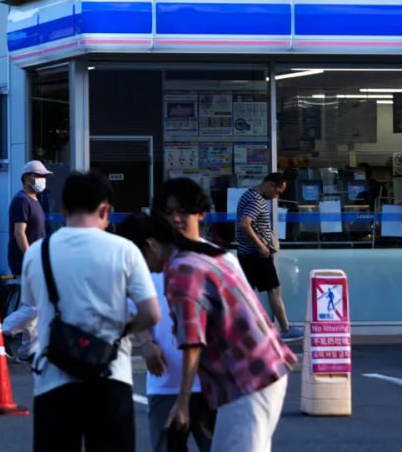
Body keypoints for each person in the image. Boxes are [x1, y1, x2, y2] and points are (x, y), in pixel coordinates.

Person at [118, 209, 296, 452]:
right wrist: (147, 342)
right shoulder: (200, 260)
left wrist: (183, 399)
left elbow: (192, 340)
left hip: (239, 381)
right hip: (242, 377)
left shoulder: (184, 269)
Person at [22, 171, 159, 451]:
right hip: (111, 379)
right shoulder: (124, 250)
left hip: (53, 381)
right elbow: (150, 313)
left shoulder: (37, 252)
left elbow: (34, 302)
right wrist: (123, 330)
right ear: (106, 209)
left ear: (63, 210)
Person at [135, 179, 219, 452]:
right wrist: (146, 342)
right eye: (168, 213)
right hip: (164, 383)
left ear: (201, 213)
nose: (176, 219)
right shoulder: (151, 258)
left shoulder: (217, 261)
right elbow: (133, 307)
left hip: (209, 385)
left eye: (183, 211)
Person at [235, 173, 303, 341]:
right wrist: (261, 245)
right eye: (278, 192)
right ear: (270, 185)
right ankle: (285, 329)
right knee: (274, 289)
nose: (276, 197)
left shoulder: (248, 195)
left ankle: (245, 329)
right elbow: (245, 223)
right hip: (257, 255)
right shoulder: (256, 200)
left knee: (247, 293)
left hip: (247, 253)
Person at [3, 160, 54, 365]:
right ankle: (3, 331)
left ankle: (28, 350)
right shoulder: (21, 200)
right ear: (26, 178)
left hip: (35, 259)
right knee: (35, 306)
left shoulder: (35, 200)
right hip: (26, 260)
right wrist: (30, 256)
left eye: (44, 176)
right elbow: (19, 232)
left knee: (35, 306)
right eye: (38, 175)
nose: (42, 180)